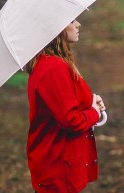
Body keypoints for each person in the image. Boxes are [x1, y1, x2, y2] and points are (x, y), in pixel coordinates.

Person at [25, 20, 106, 193]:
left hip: (58, 162)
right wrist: (93, 112)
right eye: (71, 21)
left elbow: (62, 105)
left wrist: (90, 104)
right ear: (56, 28)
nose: (78, 24)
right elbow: (71, 120)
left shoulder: (53, 63)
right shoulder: (53, 67)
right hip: (57, 166)